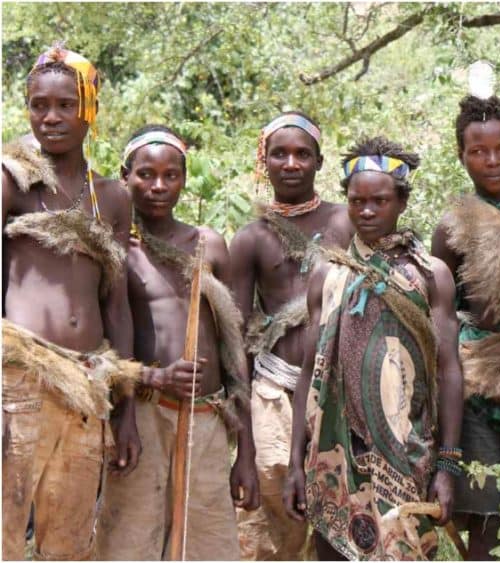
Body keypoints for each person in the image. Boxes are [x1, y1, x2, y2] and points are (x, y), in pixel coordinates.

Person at [282, 136, 464, 560]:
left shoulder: (429, 276)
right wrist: (296, 462)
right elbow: (310, 371)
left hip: (408, 455)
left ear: (401, 203)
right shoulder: (328, 275)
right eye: (356, 200)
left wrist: (448, 466)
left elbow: (448, 370)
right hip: (333, 459)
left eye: (379, 201)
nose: (366, 211)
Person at [1, 43, 141, 560]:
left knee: (69, 537)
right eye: (39, 105)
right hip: (20, 379)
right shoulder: (12, 179)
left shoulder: (112, 197)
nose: (50, 117)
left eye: (65, 105)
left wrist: (123, 413)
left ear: (90, 109)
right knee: (5, 530)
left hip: (86, 386)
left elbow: (118, 307)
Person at [94, 125, 260, 560]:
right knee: (130, 541)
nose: (158, 186)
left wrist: (245, 452)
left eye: (171, 176)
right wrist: (125, 416)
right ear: (125, 176)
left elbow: (235, 349)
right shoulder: (118, 250)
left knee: (205, 545)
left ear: (185, 180)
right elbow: (110, 338)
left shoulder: (208, 245)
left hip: (206, 419)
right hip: (145, 411)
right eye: (146, 175)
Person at [230, 111, 353, 560]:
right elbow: (238, 341)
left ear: (320, 162)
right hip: (274, 392)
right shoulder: (251, 239)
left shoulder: (348, 221)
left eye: (303, 154)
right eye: (279, 154)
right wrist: (243, 447)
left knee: (340, 514)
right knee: (271, 522)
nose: (291, 163)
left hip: (341, 391)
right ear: (265, 163)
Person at [431, 93, 500, 560]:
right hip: (477, 382)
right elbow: (443, 314)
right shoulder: (453, 223)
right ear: (462, 156)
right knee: (489, 522)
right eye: (478, 151)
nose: (493, 160)